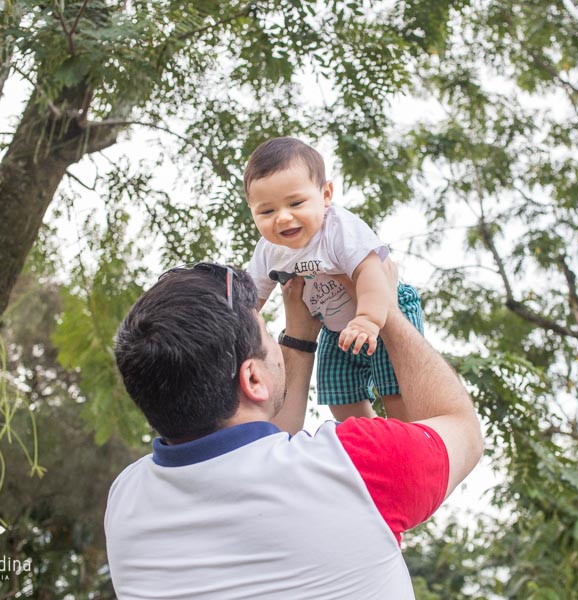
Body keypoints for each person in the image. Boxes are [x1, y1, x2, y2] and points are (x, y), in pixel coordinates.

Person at [104, 261, 483, 599]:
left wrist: (298, 340)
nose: (274, 341)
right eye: (267, 335)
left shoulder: (126, 502)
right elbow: (460, 427)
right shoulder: (356, 466)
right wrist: (387, 310)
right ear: (252, 377)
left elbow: (258, 457)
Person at [244, 136, 424, 422]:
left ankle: (404, 435)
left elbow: (370, 271)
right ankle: (368, 437)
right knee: (339, 393)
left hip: (380, 308)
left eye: (296, 203)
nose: (283, 218)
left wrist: (368, 319)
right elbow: (251, 301)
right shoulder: (269, 251)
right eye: (267, 211)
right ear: (252, 212)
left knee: (395, 390)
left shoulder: (339, 228)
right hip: (334, 327)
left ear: (326, 195)